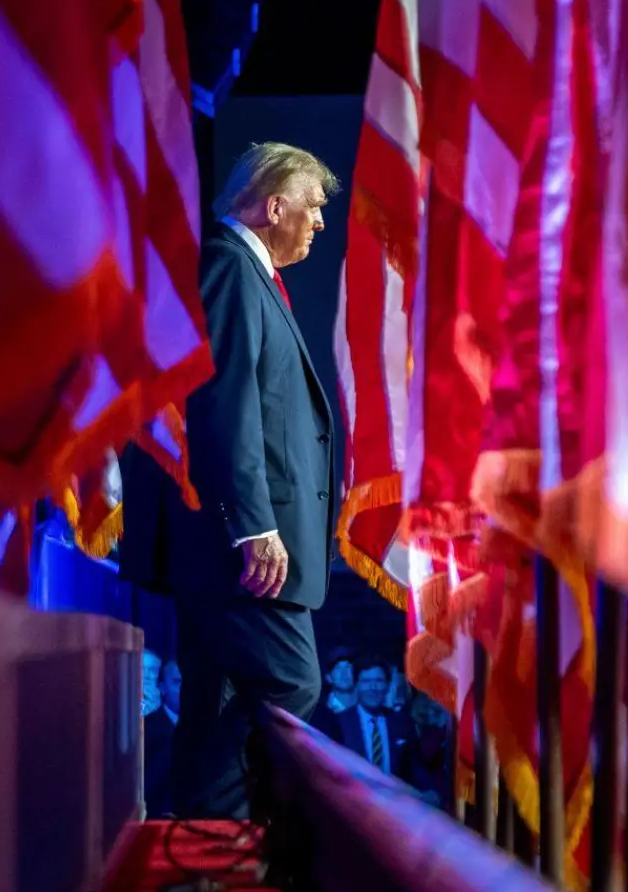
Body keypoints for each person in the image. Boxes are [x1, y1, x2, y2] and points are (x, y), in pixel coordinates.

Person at [121, 142, 340, 819]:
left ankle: (201, 851)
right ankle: (224, 841)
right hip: (241, 551)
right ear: (275, 205)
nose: (321, 223)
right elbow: (222, 403)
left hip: (231, 553)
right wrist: (255, 525)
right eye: (314, 207)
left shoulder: (251, 275)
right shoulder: (229, 266)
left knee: (215, 707)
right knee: (292, 685)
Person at [332, 659, 419, 789]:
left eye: (379, 681)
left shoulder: (402, 722)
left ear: (388, 685)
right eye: (366, 681)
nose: (373, 688)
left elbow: (415, 767)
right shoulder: (339, 724)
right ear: (356, 686)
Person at [142, 660, 181, 817]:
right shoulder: (146, 728)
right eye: (177, 682)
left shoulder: (206, 727)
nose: (184, 689)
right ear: (162, 688)